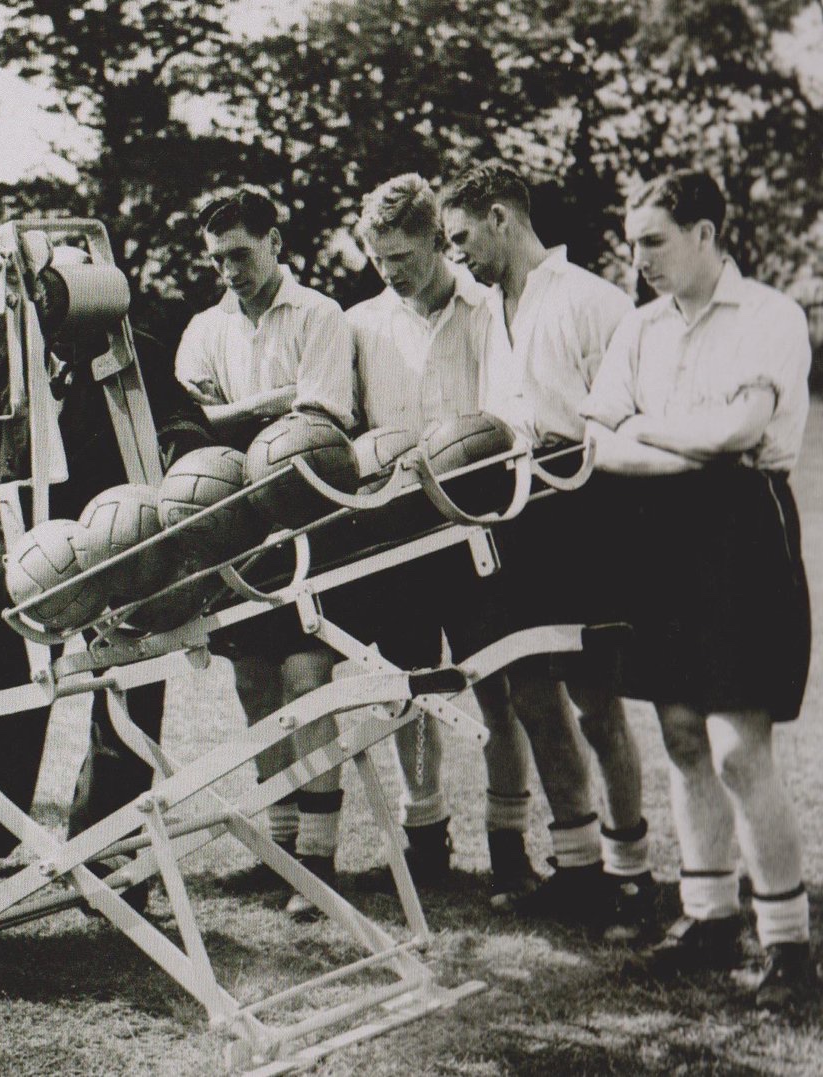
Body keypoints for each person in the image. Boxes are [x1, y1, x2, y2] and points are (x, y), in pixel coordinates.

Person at [582, 170, 816, 1008]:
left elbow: (743, 433)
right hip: (657, 535)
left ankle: (788, 946)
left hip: (742, 533)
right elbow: (594, 441)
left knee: (738, 747)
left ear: (708, 234)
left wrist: (648, 429)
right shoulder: (640, 328)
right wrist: (676, 446)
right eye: (632, 241)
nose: (637, 257)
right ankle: (710, 916)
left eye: (654, 240)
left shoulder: (771, 317)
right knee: (681, 734)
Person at [0, 267, 212, 895]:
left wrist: (178, 465)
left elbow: (183, 423)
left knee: (128, 683)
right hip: (24, 545)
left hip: (120, 544)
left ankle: (106, 846)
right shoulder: (10, 351)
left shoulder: (138, 352)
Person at [440, 161, 653, 932]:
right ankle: (578, 865)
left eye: (461, 237)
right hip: (514, 511)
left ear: (502, 217)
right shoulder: (484, 309)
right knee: (530, 696)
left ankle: (634, 872)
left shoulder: (595, 300)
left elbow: (632, 419)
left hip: (586, 507)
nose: (454, 253)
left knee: (598, 702)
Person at [325, 173, 538, 890]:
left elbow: (510, 416)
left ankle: (510, 847)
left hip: (478, 526)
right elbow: (344, 435)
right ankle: (426, 844)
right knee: (408, 690)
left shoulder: (488, 310)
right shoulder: (359, 325)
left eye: (406, 256)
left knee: (497, 688)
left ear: (437, 242)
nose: (393, 272)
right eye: (380, 259)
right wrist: (376, 458)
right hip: (396, 533)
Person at [175, 187, 357, 919]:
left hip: (312, 516)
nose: (229, 271)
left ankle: (318, 856)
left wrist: (239, 415)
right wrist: (266, 404)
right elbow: (188, 426)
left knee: (309, 675)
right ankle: (279, 850)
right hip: (239, 523)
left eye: (241, 255)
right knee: (253, 679)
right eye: (217, 259)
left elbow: (320, 415)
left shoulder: (321, 315)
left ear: (276, 243)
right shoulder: (204, 325)